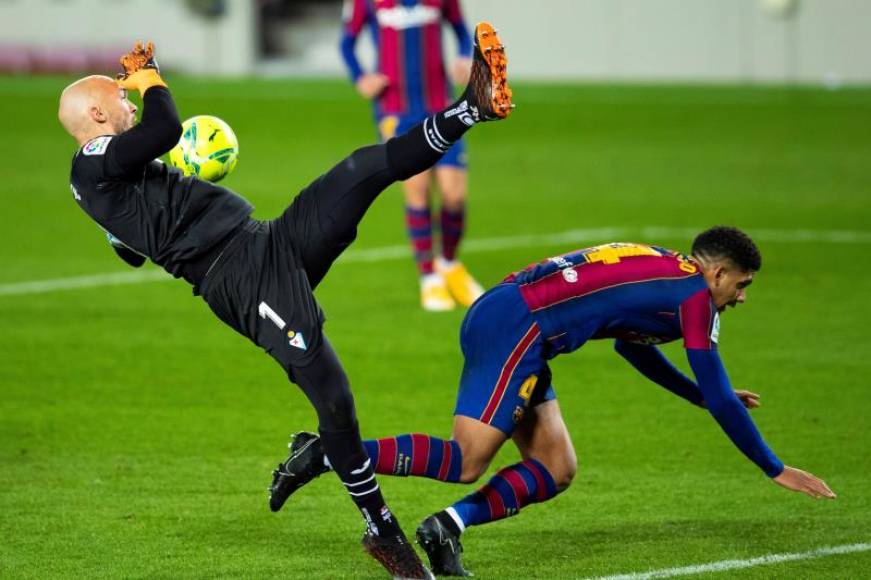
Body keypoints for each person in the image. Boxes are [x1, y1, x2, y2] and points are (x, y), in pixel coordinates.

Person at [58, 25, 511, 579]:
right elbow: (166, 127)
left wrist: (130, 221)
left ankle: (471, 108)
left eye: (128, 91)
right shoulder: (92, 160)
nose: (126, 98)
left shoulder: (102, 176)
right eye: (118, 96)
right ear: (96, 117)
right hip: (243, 281)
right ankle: (381, 529)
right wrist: (152, 79)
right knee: (336, 399)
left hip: (265, 240)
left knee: (364, 168)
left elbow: (131, 243)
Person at [268, 227, 836, 576]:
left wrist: (704, 397)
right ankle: (323, 453)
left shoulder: (670, 273)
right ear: (717, 272)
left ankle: (446, 528)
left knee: (557, 467)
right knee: (467, 461)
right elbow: (713, 386)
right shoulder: (696, 299)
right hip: (519, 327)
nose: (740, 297)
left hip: (518, 321)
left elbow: (632, 348)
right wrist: (773, 467)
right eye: (740, 285)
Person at [340, 0, 484, 311]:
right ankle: (429, 278)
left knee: (454, 194)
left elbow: (460, 30)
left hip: (441, 104)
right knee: (417, 189)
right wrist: (360, 78)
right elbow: (347, 42)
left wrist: (462, 57)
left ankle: (449, 264)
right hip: (396, 110)